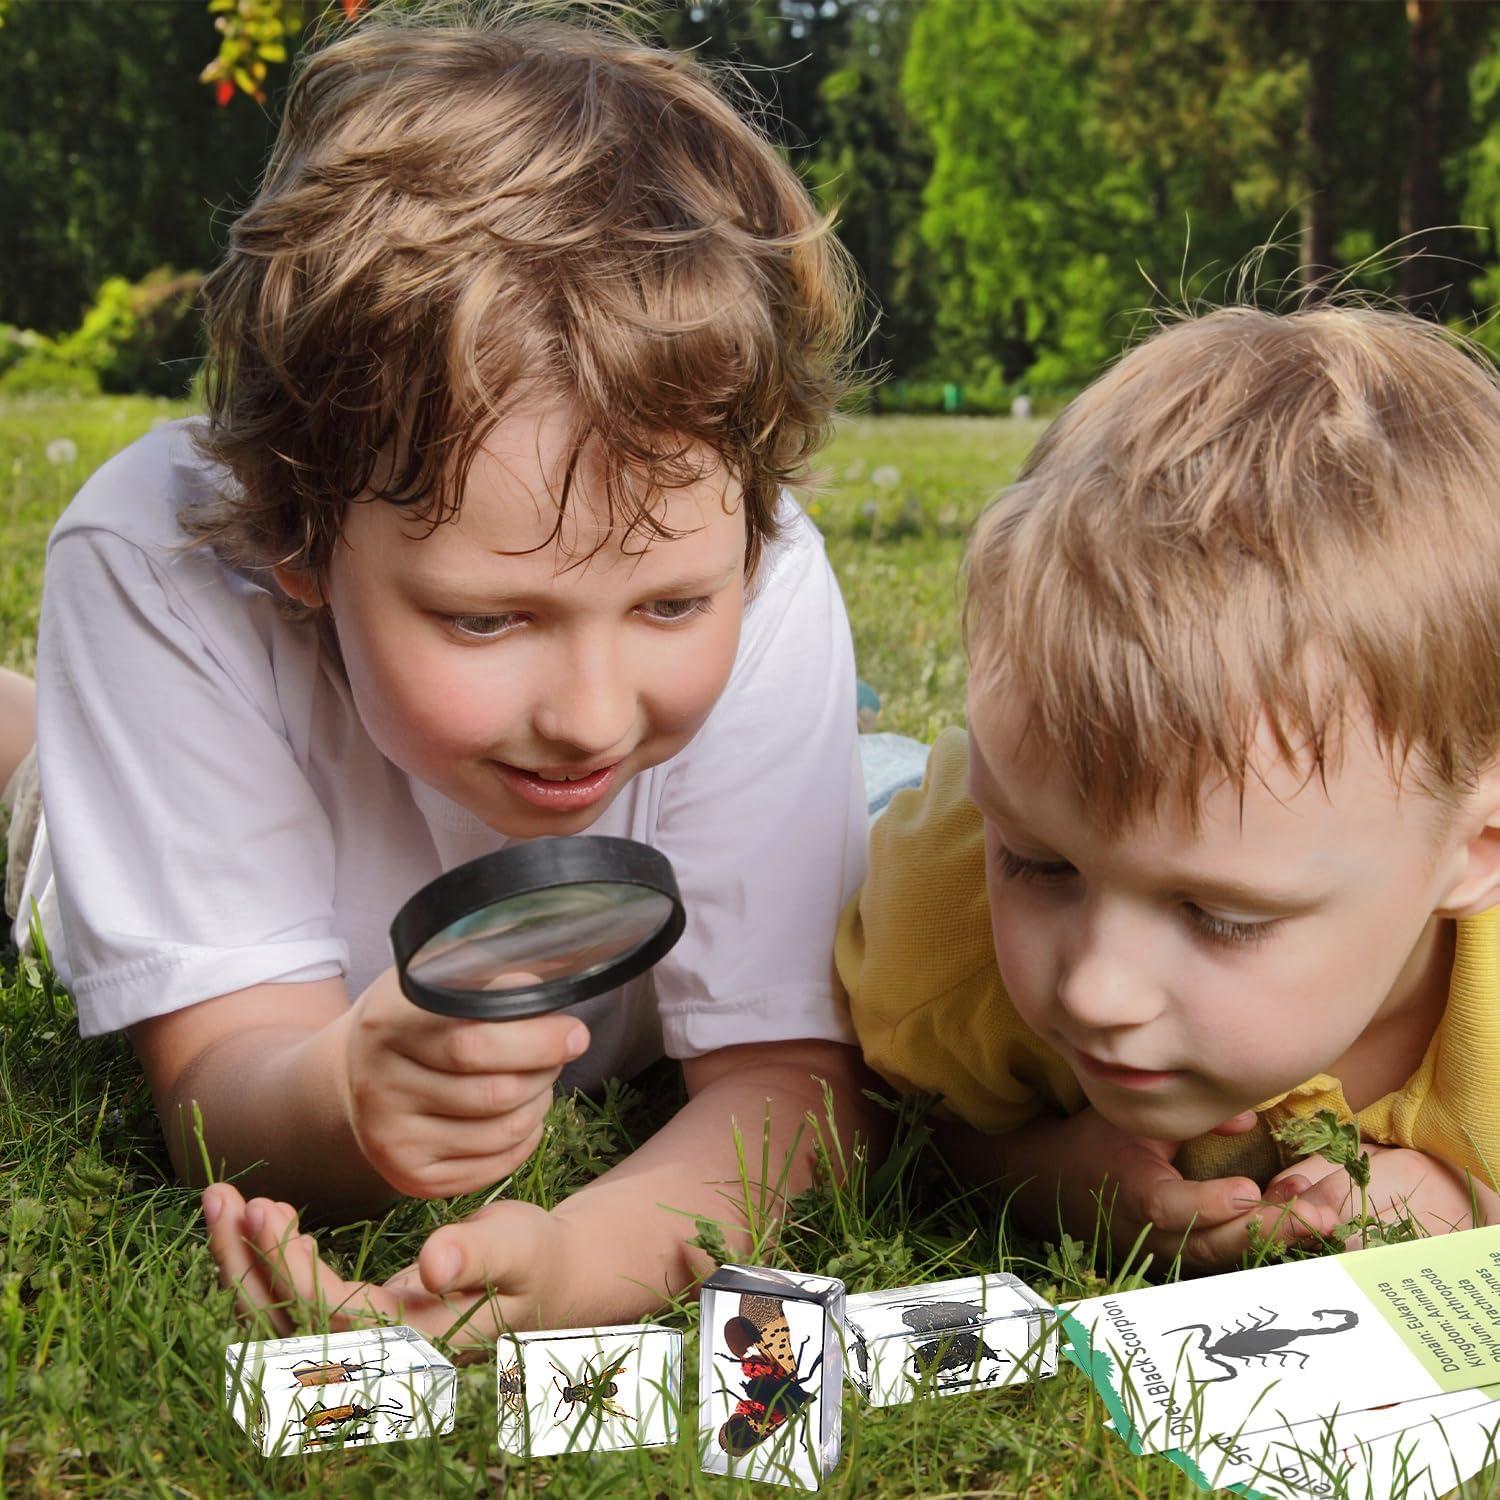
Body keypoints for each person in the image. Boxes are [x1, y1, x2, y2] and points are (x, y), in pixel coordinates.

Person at [2, 3, 878, 1342]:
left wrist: (572, 1265)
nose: (591, 714)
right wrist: (343, 1101)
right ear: (298, 536)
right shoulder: (161, 560)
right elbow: (221, 1080)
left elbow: (788, 1088)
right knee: (36, 789)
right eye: (487, 621)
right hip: (126, 833)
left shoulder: (764, 570)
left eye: (669, 605)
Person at [838, 303, 1500, 1274]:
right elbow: (877, 1111)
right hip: (893, 803)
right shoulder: (942, 936)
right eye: (1038, 863)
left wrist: (1468, 1202)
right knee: (846, 788)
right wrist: (1043, 1175)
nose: (1098, 989)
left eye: (1221, 915)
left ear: (1478, 852)